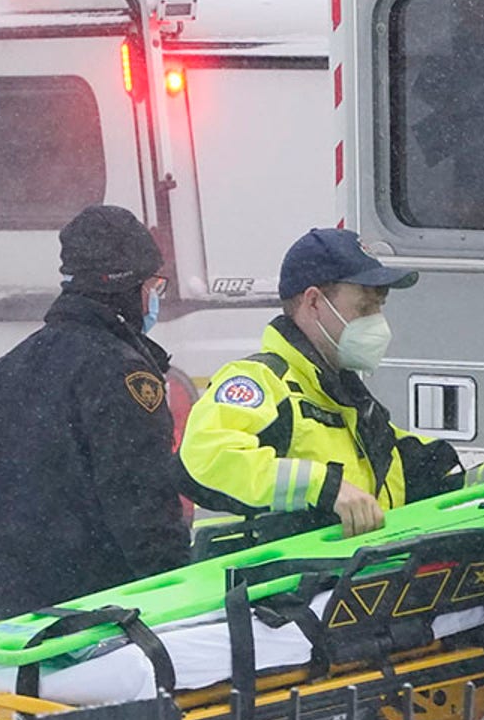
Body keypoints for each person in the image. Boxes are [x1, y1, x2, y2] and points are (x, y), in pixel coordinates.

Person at [0, 204, 190, 621]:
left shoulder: (3, 370)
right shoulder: (125, 374)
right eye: (154, 286)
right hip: (104, 626)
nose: (155, 300)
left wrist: (30, 560)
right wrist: (178, 596)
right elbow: (145, 513)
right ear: (127, 288)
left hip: (16, 626)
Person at [178, 227, 464, 541]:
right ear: (314, 302)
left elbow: (397, 461)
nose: (378, 323)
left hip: (339, 581)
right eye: (365, 308)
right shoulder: (263, 381)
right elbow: (206, 455)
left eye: (380, 307)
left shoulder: (345, 400)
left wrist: (481, 474)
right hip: (271, 584)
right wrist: (324, 487)